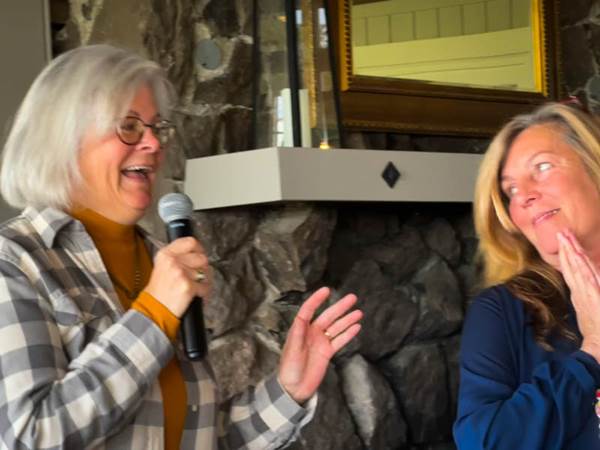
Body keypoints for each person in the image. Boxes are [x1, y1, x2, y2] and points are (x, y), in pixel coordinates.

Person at [0, 44, 363, 450]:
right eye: (130, 126)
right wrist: (154, 315)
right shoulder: (15, 263)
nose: (154, 144)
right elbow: (28, 435)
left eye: (158, 128)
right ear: (62, 138)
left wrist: (287, 389)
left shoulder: (162, 260)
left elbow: (195, 435)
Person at [453, 102, 600, 449]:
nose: (525, 197)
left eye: (543, 167)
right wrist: (592, 351)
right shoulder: (502, 311)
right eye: (511, 191)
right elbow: (482, 443)